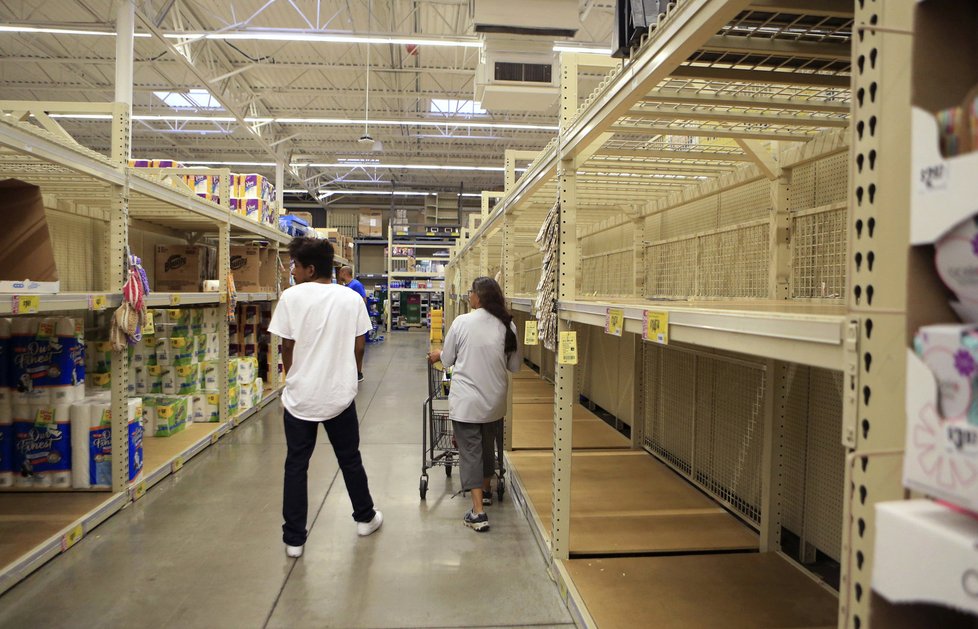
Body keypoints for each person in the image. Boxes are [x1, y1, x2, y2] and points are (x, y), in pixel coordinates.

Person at [268, 237, 382, 559]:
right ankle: (365, 518)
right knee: (349, 458)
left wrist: (293, 377)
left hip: (301, 397)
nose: (292, 272)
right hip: (338, 395)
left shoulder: (290, 298)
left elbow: (286, 347)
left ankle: (294, 539)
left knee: (296, 464)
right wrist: (354, 374)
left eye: (295, 265)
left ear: (310, 268)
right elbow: (360, 346)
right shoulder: (350, 299)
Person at [427, 277, 522, 532]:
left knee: (470, 452)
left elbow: (446, 360)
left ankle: (478, 512)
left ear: (479, 297)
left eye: (470, 293)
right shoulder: (508, 325)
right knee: (488, 445)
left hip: (467, 403)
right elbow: (514, 366)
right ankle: (487, 491)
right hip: (495, 402)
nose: (468, 296)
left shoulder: (462, 322)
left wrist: (439, 355)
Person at [337, 265, 368, 382]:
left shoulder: (356, 285)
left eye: (340, 272)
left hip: (355, 321)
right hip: (348, 320)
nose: (339, 275)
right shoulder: (347, 286)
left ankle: (358, 373)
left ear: (344, 273)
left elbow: (363, 301)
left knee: (358, 347)